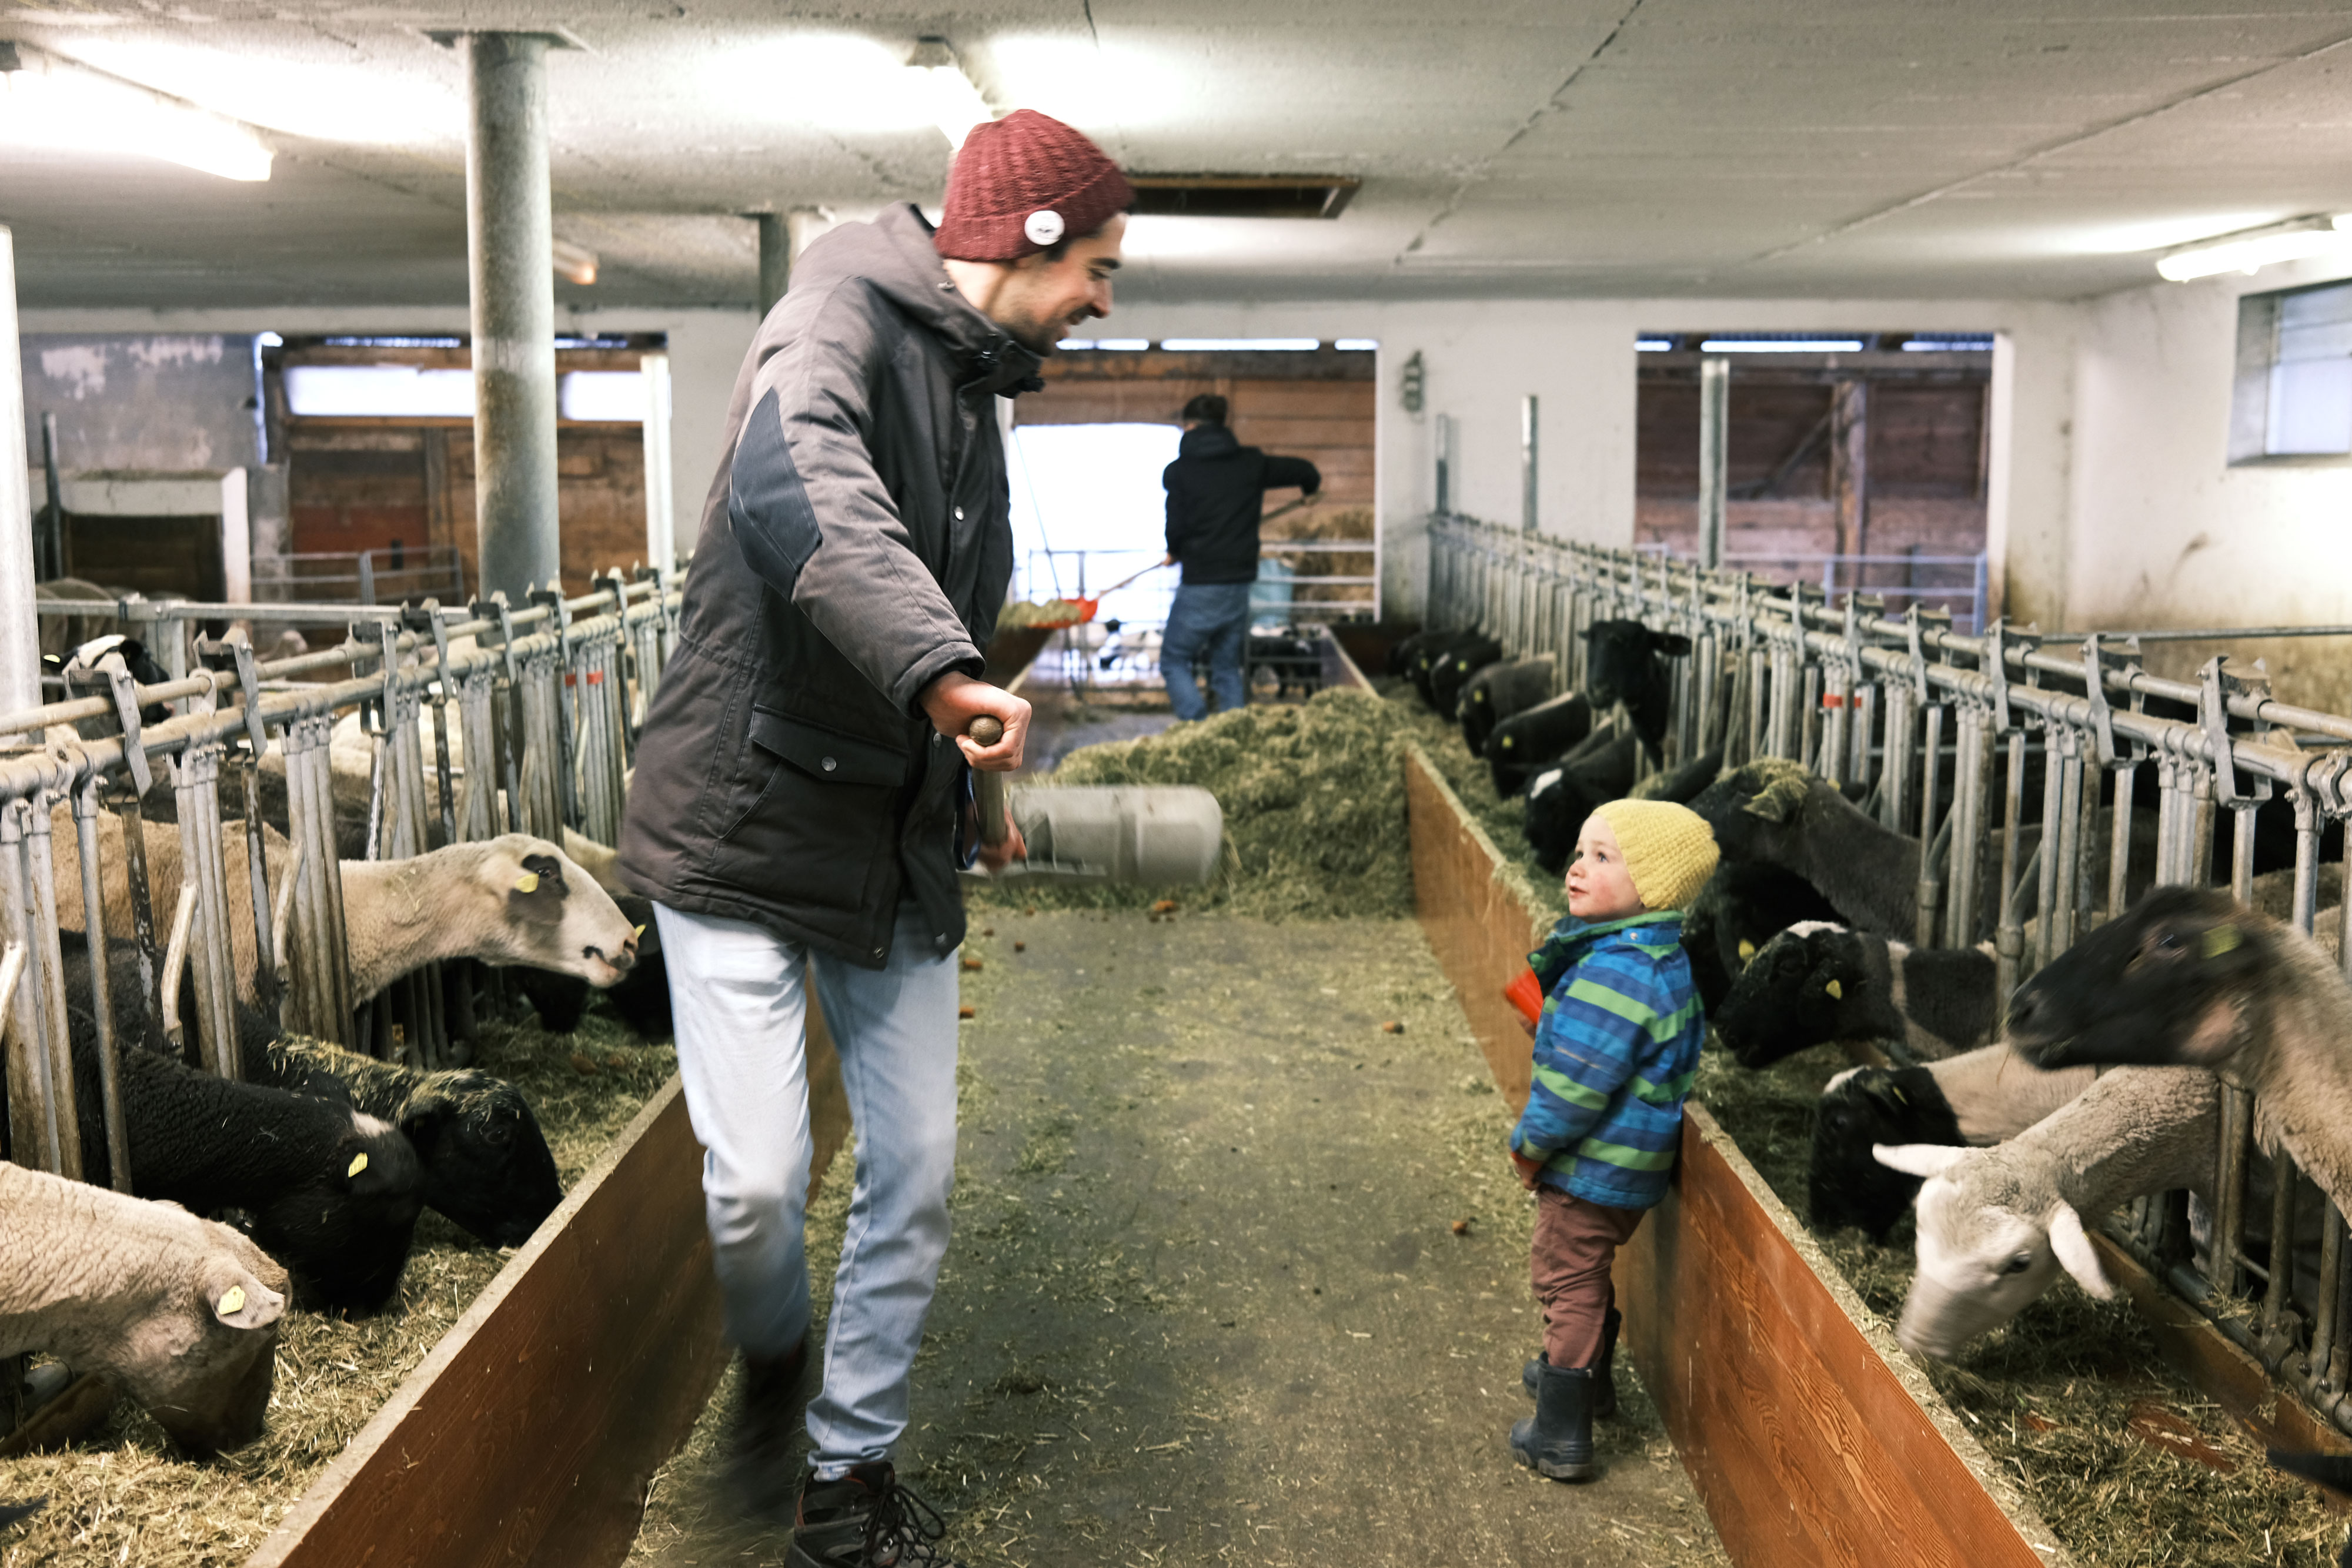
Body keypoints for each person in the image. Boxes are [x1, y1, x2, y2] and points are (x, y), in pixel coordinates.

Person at [616, 109, 1132, 1566]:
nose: (1105, 296)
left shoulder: (976, 386)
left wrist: (978, 784)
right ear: (1027, 240)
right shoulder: (831, 316)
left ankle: (845, 1483)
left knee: (912, 1165)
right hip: (743, 814)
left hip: (891, 828)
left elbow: (953, 619)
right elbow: (801, 488)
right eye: (1098, 263)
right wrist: (939, 671)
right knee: (761, 1181)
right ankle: (774, 1358)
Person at [1506, 798, 1717, 1482]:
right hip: (1630, 1166)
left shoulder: (1615, 973)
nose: (1576, 869)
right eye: (1578, 851)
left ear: (1652, 887)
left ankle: (1562, 1433)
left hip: (1590, 1166)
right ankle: (1586, 1383)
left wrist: (1530, 1143)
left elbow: (1574, 1086)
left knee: (1567, 1279)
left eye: (1603, 857)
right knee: (1585, 1275)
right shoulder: (1657, 959)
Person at [1157, 393, 1321, 720]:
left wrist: (1174, 551)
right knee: (1226, 664)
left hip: (1202, 582)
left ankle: (1197, 724)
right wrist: (1310, 491)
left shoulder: (1179, 472)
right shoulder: (1251, 464)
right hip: (1239, 584)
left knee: (1173, 659)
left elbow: (1175, 524)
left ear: (1188, 427)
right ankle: (1234, 730)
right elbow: (1305, 470)